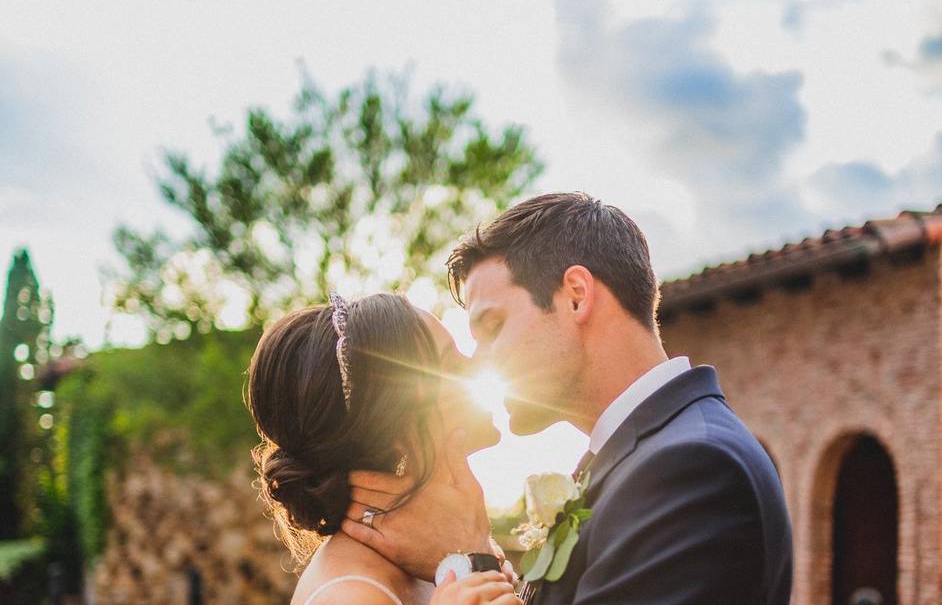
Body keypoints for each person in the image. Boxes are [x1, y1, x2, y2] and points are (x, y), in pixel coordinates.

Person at [344, 192, 794, 604]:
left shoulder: (691, 467)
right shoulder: (641, 458)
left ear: (576, 297)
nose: (479, 362)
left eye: (493, 327)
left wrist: (466, 553)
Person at [247, 293, 521, 605]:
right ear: (394, 420)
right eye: (449, 363)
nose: (476, 364)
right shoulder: (350, 596)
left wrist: (477, 555)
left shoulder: (432, 555)